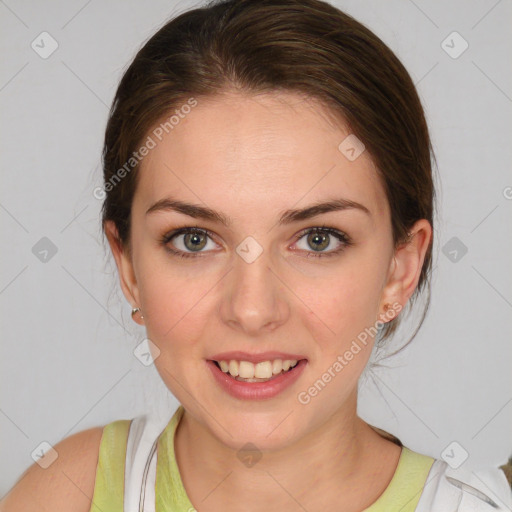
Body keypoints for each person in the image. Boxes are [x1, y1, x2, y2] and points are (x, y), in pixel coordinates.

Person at [2, 0, 511, 510]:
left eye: (318, 239)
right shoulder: (68, 493)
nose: (251, 310)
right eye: (193, 240)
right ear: (129, 266)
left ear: (400, 270)